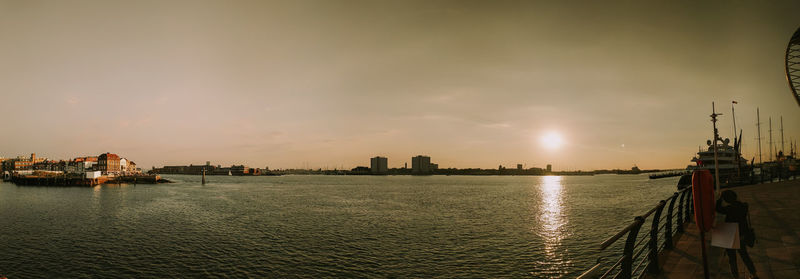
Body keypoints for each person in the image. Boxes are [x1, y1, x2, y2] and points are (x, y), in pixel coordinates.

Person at [716, 190, 758, 279]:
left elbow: (717, 208)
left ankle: (736, 277)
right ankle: (754, 274)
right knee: (744, 256)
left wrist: (720, 199)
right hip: (741, 234)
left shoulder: (729, 209)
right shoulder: (743, 206)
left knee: (732, 259)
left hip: (730, 233)